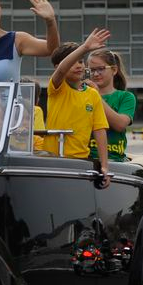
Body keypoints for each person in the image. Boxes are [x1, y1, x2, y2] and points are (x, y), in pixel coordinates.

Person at [45, 31, 111, 185]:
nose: (78, 65)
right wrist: (85, 47)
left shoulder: (93, 95)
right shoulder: (57, 87)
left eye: (81, 61)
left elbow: (100, 130)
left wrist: (105, 166)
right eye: (73, 61)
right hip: (52, 161)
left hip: (81, 163)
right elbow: (62, 70)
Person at [86, 49, 135, 163]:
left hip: (115, 160)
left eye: (101, 69)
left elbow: (120, 124)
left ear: (114, 70)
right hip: (86, 159)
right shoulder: (83, 95)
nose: (96, 74)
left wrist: (96, 96)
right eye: (92, 70)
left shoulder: (126, 97)